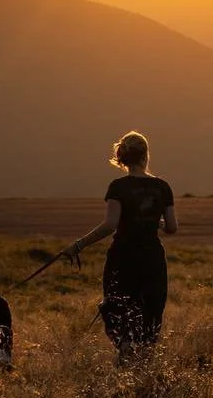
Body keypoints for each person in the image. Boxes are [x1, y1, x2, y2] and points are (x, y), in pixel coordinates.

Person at [61, 131, 178, 360]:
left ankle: (125, 350)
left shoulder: (118, 187)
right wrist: (156, 221)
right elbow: (172, 227)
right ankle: (144, 361)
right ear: (146, 155)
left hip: (123, 257)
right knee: (151, 309)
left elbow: (110, 225)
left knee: (117, 307)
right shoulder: (162, 187)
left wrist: (79, 245)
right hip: (152, 258)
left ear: (122, 158)